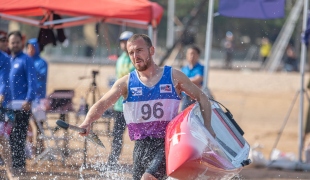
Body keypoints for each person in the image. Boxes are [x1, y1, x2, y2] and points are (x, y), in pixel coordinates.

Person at [79, 34, 215, 180]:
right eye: (131, 52)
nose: (135, 56)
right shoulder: (126, 82)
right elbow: (103, 103)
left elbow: (202, 98)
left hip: (166, 143)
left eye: (139, 50)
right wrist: (87, 121)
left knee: (147, 178)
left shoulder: (173, 76)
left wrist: (208, 125)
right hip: (140, 146)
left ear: (151, 50)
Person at [8, 31, 37, 175]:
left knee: (19, 136)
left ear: (21, 43)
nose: (15, 44)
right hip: (9, 106)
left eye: (17, 42)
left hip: (22, 105)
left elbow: (33, 81)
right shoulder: (8, 60)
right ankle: (12, 164)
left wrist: (29, 99)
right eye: (12, 42)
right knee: (9, 137)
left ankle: (20, 166)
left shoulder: (26, 59)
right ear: (9, 44)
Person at [106, 31, 135, 169]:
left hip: (134, 104)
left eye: (127, 41)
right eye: (122, 41)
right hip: (119, 105)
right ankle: (112, 161)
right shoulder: (119, 60)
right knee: (116, 135)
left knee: (138, 135)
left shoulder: (136, 58)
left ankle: (139, 161)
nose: (124, 44)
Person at [26, 38, 48, 155]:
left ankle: (40, 148)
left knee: (39, 125)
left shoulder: (42, 62)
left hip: (39, 99)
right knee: (28, 124)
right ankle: (30, 148)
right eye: (28, 47)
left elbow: (41, 76)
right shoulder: (27, 60)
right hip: (28, 98)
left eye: (31, 47)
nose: (29, 50)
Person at [0, 30, 15, 179]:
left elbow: (4, 82)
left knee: (3, 140)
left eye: (5, 40)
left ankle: (10, 172)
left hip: (2, 105)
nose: (3, 43)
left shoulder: (5, 58)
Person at [180, 45, 204, 111]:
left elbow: (198, 79)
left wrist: (184, 81)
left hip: (197, 99)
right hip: (185, 98)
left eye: (194, 54)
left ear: (198, 55)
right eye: (190, 54)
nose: (192, 56)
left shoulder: (201, 68)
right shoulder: (183, 69)